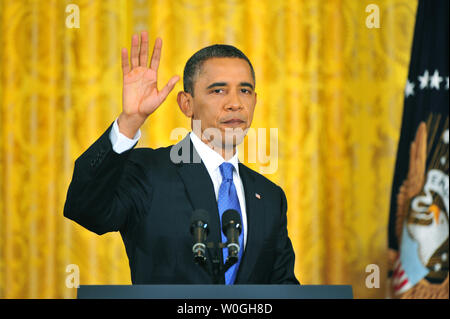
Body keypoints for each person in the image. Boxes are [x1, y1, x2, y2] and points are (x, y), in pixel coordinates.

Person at [64, 31, 299, 285]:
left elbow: (283, 286)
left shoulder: (270, 196)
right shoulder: (149, 172)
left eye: (245, 90)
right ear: (187, 104)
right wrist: (129, 122)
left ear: (255, 101)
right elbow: (86, 210)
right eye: (218, 90)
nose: (235, 103)